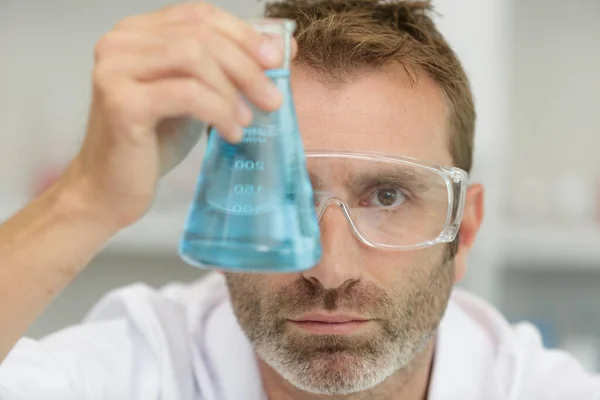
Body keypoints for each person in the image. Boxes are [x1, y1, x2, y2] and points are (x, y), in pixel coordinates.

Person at [0, 0, 598, 399]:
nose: (329, 269)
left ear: (463, 231)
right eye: (281, 194)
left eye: (386, 196)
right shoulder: (143, 365)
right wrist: (84, 200)